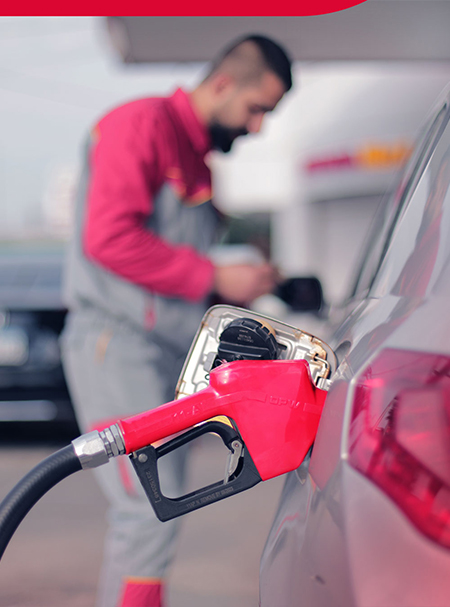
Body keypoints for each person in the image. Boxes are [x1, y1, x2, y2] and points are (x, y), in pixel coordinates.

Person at [61, 34, 293, 607]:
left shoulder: (195, 160)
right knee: (147, 507)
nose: (258, 126)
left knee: (158, 507)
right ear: (221, 85)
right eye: (256, 109)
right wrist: (213, 277)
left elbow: (180, 248)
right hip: (117, 345)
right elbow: (109, 238)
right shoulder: (136, 126)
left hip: (163, 351)